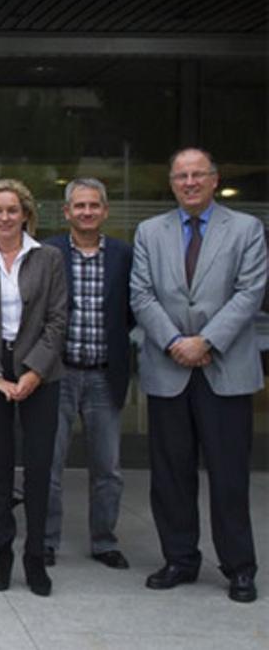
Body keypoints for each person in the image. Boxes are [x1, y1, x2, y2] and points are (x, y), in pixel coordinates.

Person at [131, 148, 264, 604]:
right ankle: (180, 559)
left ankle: (239, 567)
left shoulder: (246, 229)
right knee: (170, 475)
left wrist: (205, 342)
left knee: (228, 476)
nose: (189, 183)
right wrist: (174, 343)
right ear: (171, 182)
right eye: (181, 176)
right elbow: (141, 294)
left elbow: (250, 294)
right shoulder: (150, 231)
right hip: (168, 370)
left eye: (197, 175)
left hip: (225, 370)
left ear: (214, 179)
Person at [0, 179, 66, 597]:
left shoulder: (50, 258)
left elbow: (58, 319)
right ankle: (4, 549)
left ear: (26, 214)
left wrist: (33, 373)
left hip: (40, 371)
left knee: (39, 468)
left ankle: (35, 555)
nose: (4, 218)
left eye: (12, 210)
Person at [43, 178, 133, 570]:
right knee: (50, 464)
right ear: (66, 212)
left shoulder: (123, 256)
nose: (86, 212)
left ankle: (104, 541)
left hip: (103, 374)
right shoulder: (50, 252)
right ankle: (46, 541)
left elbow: (131, 311)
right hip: (58, 374)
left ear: (105, 211)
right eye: (79, 206)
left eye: (94, 205)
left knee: (107, 468)